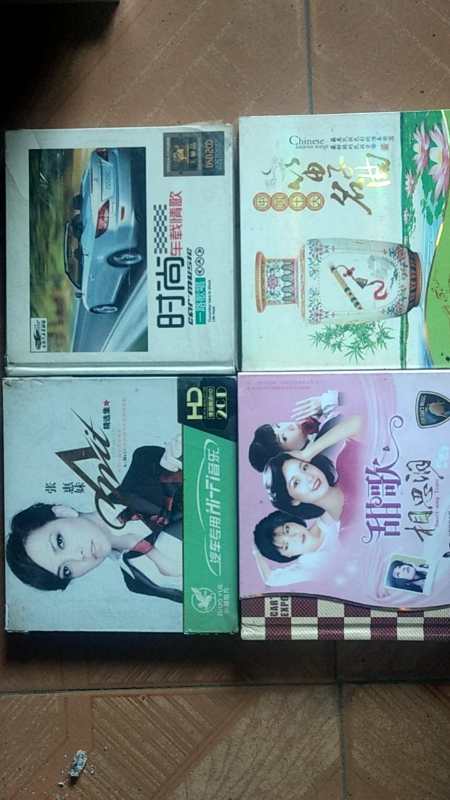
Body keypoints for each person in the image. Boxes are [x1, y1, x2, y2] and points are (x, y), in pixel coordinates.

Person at [6, 501, 183, 603]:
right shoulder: (136, 583)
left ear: (63, 513)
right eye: (66, 570)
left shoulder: (146, 466)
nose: (78, 557)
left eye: (60, 542)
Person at [248, 390, 342, 472]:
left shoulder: (318, 441)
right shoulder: (325, 447)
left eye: (278, 426)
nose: (289, 426)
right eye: (284, 438)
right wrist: (328, 401)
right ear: (289, 456)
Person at [252, 510, 340, 587]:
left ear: (292, 521)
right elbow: (271, 579)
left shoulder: (328, 514)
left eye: (287, 530)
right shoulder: (308, 567)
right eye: (286, 546)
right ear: (288, 556)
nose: (294, 537)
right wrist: (256, 552)